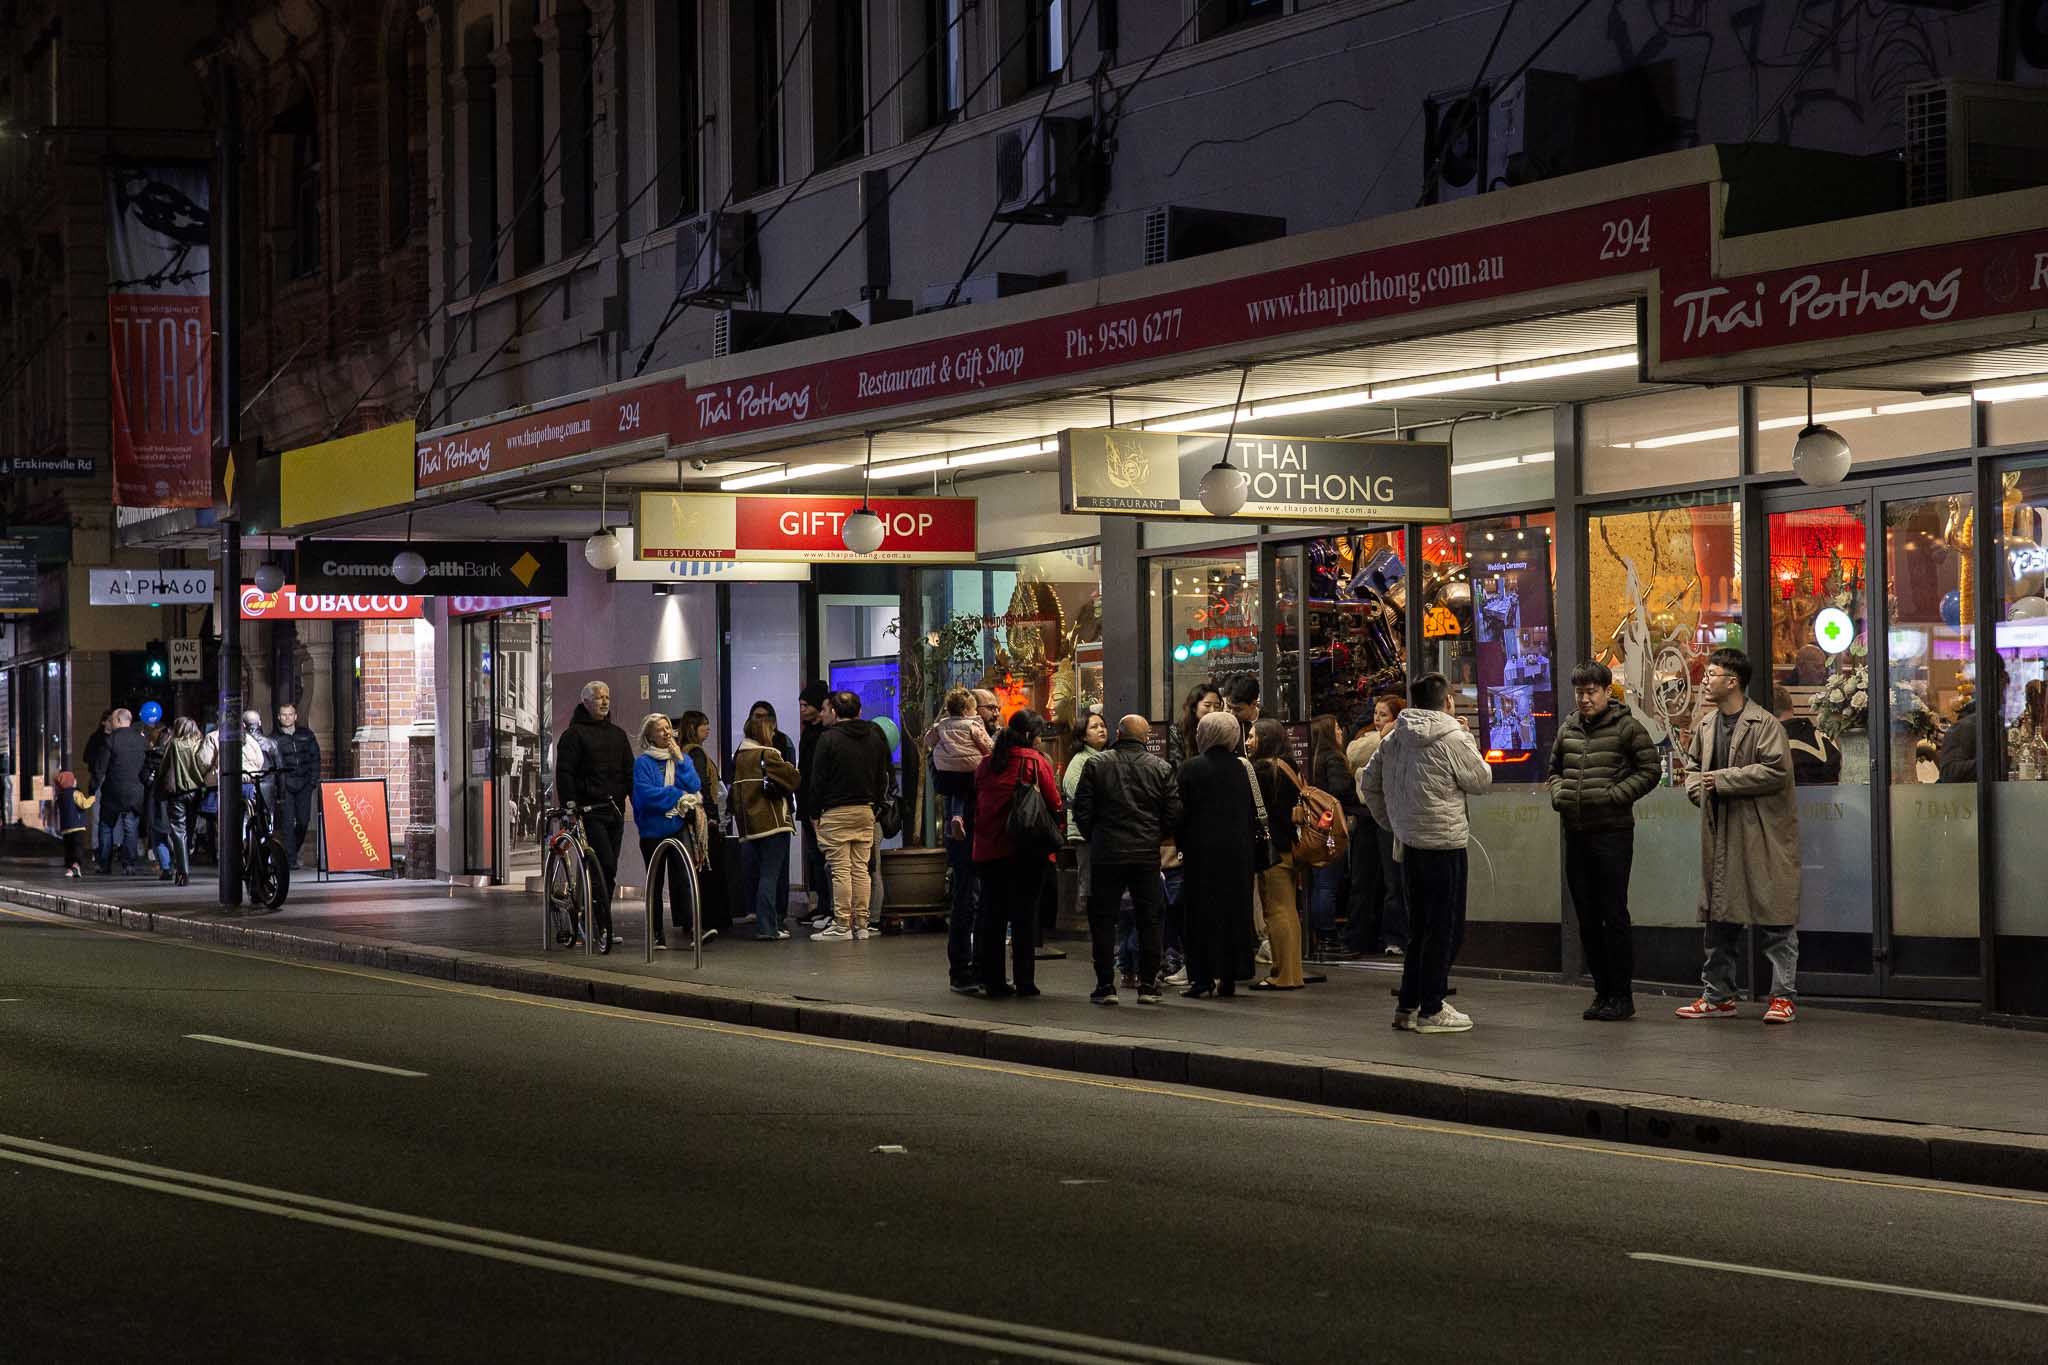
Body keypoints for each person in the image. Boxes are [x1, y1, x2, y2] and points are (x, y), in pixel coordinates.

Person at [1677, 647, 1803, 1024]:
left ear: (1732, 681)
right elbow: (1693, 769)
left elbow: (1776, 771)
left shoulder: (1764, 724)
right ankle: (1718, 996)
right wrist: (1698, 789)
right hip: (1720, 833)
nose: (1704, 680)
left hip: (1762, 833)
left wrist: (1720, 781)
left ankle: (1783, 997)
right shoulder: (1706, 724)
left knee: (1776, 916)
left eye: (1711, 674)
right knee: (1719, 917)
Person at [1361, 672, 1492, 1034]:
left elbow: (1368, 783)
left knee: (1418, 928)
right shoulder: (1452, 737)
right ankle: (1432, 1007)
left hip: (1410, 845)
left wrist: (1393, 822)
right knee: (1444, 928)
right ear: (1447, 701)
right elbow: (1481, 780)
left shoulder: (1394, 738)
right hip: (1444, 844)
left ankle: (1408, 1004)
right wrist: (1467, 736)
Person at [1548, 660, 1661, 1023]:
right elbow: (1554, 770)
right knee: (1586, 916)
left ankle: (1622, 995)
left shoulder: (1627, 727)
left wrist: (1615, 795)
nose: (1584, 699)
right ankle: (1601, 992)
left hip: (1612, 833)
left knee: (1613, 915)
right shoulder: (1568, 728)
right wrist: (1560, 794)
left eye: (1591, 692)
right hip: (1576, 832)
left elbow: (1650, 770)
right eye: (1579, 692)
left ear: (1606, 692)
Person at [1073, 715, 1180, 1005]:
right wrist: (1155, 836)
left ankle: (1105, 985)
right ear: (1146, 738)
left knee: (1104, 919)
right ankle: (1148, 985)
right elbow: (1173, 812)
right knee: (1149, 919)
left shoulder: (1096, 764)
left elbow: (1082, 809)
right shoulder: (1161, 767)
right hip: (1145, 853)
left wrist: (1095, 836)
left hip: (1107, 852)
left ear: (1118, 734)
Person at [968, 708, 1063, 997]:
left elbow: (977, 799)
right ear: (1031, 735)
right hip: (1024, 850)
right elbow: (1054, 802)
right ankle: (1025, 981)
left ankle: (993, 980)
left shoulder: (986, 764)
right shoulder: (1034, 761)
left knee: (993, 916)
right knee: (1024, 916)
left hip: (988, 849)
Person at [1173, 710, 1256, 998]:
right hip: (1238, 852)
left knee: (1200, 913)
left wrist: (1180, 845)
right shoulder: (1244, 768)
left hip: (1201, 853)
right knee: (1235, 912)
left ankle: (1202, 978)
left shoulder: (1190, 769)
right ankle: (1230, 975)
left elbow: (1179, 812)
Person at [808, 690, 893, 941]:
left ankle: (842, 924)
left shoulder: (828, 738)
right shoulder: (874, 735)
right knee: (861, 869)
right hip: (865, 810)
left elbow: (818, 779)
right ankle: (863, 923)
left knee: (841, 870)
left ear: (834, 712)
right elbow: (883, 775)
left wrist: (814, 812)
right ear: (859, 711)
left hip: (835, 811)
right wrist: (876, 806)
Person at [555, 681, 633, 952]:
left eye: (607, 697)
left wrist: (634, 801)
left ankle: (596, 921)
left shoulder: (618, 735)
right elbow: (565, 773)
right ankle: (599, 924)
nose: (605, 701)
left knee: (608, 870)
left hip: (614, 810)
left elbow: (628, 771)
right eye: (599, 697)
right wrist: (570, 805)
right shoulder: (573, 735)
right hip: (589, 811)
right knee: (604, 866)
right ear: (586, 702)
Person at [923, 686, 992, 988]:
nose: (993, 713)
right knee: (967, 898)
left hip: (977, 826)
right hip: (970, 838)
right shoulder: (977, 731)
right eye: (988, 707)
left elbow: (930, 747)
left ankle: (981, 967)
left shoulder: (942, 729)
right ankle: (963, 969)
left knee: (979, 900)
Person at [631, 712, 704, 951]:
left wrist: (680, 760)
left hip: (677, 827)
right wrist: (677, 795)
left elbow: (694, 785)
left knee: (685, 879)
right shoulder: (643, 763)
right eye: (661, 729)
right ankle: (656, 933)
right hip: (652, 832)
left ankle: (694, 928)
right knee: (655, 882)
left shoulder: (681, 758)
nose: (667, 733)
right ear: (650, 736)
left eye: (668, 728)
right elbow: (646, 795)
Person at [1247, 718, 1308, 991]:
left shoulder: (1262, 770)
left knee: (1276, 912)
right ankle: (1293, 971)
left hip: (1272, 850)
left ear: (1266, 739)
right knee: (1289, 911)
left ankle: (1283, 975)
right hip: (1291, 847)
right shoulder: (1289, 765)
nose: (1248, 742)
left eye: (1253, 736)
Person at [1347, 696, 1410, 957]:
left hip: (1388, 816)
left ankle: (1394, 937)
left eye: (1383, 715)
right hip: (1368, 815)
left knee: (1392, 879)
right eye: (1375, 713)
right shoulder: (1374, 739)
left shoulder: (1398, 740)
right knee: (1364, 878)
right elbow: (1352, 755)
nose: (1377, 719)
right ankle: (1361, 937)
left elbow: (1360, 763)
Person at [732, 711, 802, 940]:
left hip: (750, 824)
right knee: (771, 876)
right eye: (771, 730)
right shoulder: (768, 755)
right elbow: (794, 778)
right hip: (773, 821)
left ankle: (765, 924)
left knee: (762, 874)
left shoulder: (740, 757)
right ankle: (768, 927)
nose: (773, 734)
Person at [675, 710, 732, 936]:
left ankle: (692, 917)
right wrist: (711, 817)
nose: (708, 728)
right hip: (704, 819)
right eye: (704, 724)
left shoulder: (683, 752)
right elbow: (703, 787)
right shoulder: (696, 753)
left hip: (692, 818)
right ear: (693, 728)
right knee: (709, 870)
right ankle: (710, 917)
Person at [921, 685, 993, 840]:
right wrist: (990, 755)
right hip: (970, 769)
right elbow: (986, 745)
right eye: (974, 710)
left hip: (946, 771)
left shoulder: (941, 725)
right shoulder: (973, 725)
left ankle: (955, 818)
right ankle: (960, 819)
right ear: (966, 711)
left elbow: (928, 741)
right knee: (965, 790)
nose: (976, 713)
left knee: (955, 793)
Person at [1305, 713, 1352, 948]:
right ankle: (1326, 933)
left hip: (1311, 828)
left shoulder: (1309, 760)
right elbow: (1340, 789)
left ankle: (1315, 932)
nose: (1341, 732)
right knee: (1327, 882)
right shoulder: (1333, 758)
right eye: (1336, 728)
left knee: (1316, 881)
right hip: (1330, 827)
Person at [1062, 709, 1110, 923]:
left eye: (1103, 725)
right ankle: (1089, 923)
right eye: (1094, 727)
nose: (1101, 730)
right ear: (1083, 735)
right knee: (1089, 881)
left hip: (1102, 830)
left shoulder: (1105, 756)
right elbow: (1078, 796)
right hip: (1086, 832)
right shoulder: (1079, 761)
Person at [796, 681, 834, 930]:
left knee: (825, 858)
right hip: (809, 805)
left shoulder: (824, 736)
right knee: (815, 858)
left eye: (806, 705)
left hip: (819, 807)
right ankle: (822, 905)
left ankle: (829, 907)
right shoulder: (810, 733)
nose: (802, 710)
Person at [92, 709, 149, 876]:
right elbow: (147, 765)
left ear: (118, 720)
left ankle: (104, 864)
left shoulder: (110, 740)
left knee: (106, 826)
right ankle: (129, 864)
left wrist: (93, 788)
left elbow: (100, 768)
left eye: (112, 720)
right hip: (135, 791)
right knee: (130, 827)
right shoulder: (141, 740)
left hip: (112, 791)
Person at [159, 717, 212, 886]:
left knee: (178, 830)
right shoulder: (200, 743)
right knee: (189, 828)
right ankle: (187, 854)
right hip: (196, 791)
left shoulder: (174, 744)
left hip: (178, 791)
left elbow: (163, 767)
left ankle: (183, 871)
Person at [272, 702, 322, 866]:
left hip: (304, 783)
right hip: (285, 785)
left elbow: (315, 758)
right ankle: (291, 859)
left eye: (290, 714)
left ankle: (293, 849)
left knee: (303, 821)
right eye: (284, 715)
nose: (287, 718)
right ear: (279, 717)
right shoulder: (274, 739)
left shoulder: (306, 735)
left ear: (295, 716)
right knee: (287, 824)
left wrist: (312, 780)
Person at [55, 771, 92, 877]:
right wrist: (92, 799)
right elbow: (84, 804)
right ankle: (76, 864)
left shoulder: (60, 796)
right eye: (73, 779)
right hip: (78, 827)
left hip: (65, 828)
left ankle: (69, 869)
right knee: (78, 847)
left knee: (68, 849)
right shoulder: (75, 793)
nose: (75, 780)